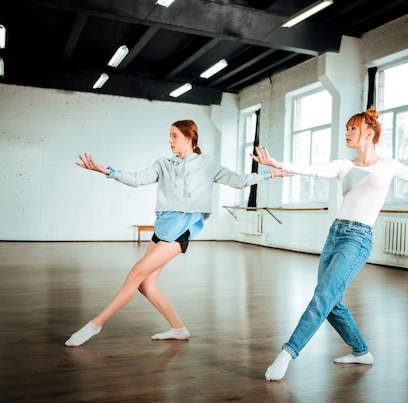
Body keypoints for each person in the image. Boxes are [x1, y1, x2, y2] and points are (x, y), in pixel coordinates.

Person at [251, 108, 408, 380]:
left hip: (358, 239)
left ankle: (287, 354)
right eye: (347, 128)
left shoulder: (389, 165)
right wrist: (279, 165)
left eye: (353, 128)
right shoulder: (343, 165)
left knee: (323, 297)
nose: (347, 133)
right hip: (335, 234)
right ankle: (361, 352)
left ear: (369, 133)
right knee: (331, 300)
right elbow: (313, 171)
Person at [65, 119, 289, 347]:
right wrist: (105, 170)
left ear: (189, 139)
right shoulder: (163, 163)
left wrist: (269, 175)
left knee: (135, 274)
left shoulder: (207, 164)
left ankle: (95, 325)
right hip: (162, 226)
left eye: (174, 136)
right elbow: (137, 179)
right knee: (145, 285)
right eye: (170, 136)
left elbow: (239, 181)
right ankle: (178, 329)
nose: (170, 141)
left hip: (182, 229)